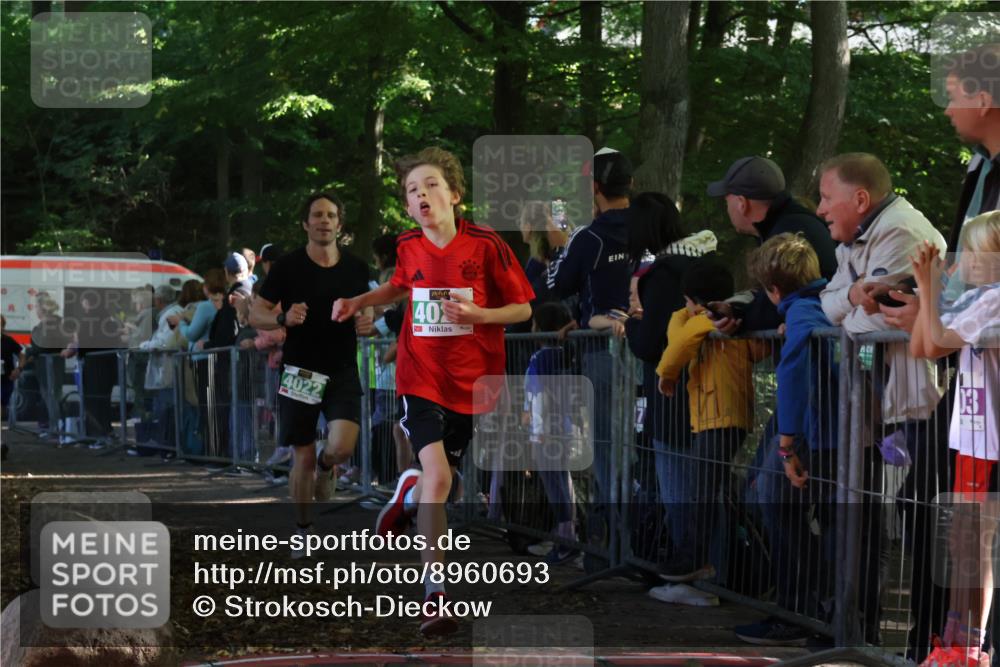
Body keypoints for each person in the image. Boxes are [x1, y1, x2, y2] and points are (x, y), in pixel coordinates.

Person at [332, 146, 533, 635]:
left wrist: (480, 316)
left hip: (474, 382)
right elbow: (400, 287)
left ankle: (408, 489)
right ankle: (435, 595)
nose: (422, 195)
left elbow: (524, 309)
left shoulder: (487, 245)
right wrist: (362, 300)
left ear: (455, 194)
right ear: (407, 205)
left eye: (431, 186)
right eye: (412, 190)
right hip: (420, 377)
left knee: (445, 485)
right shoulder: (407, 246)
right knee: (440, 480)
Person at [818, 152, 949, 644]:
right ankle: (905, 634)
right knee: (909, 507)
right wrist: (854, 300)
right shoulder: (857, 238)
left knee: (928, 511)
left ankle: (930, 636)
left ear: (860, 199)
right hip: (898, 400)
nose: (820, 208)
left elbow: (881, 319)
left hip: (929, 400)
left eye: (827, 197)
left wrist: (850, 311)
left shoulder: (900, 232)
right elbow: (831, 304)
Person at [251, 192, 374, 551]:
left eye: (331, 215)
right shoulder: (288, 267)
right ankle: (304, 531)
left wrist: (367, 321)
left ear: (339, 223)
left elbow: (367, 311)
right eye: (317, 215)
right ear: (306, 223)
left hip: (341, 369)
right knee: (300, 454)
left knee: (341, 447)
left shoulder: (356, 267)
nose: (324, 220)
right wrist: (281, 318)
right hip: (300, 372)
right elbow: (254, 313)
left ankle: (328, 465)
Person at [733, 233, 839, 646]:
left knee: (774, 502)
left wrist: (787, 444)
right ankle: (806, 606)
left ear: (773, 290)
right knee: (778, 504)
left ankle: (803, 608)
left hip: (817, 432)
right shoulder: (818, 305)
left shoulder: (801, 315)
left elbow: (793, 373)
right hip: (826, 430)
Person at [908, 212, 1000, 667]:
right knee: (964, 542)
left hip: (990, 442)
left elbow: (936, 336)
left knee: (975, 543)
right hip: (973, 439)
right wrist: (932, 293)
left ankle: (970, 645)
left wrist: (928, 288)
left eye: (975, 253)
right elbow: (923, 347)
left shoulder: (996, 301)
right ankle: (960, 642)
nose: (965, 261)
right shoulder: (981, 299)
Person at [654, 257, 767, 584]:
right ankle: (699, 558)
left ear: (696, 302)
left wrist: (666, 374)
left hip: (721, 413)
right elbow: (680, 332)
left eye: (686, 303)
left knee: (701, 489)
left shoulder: (709, 319)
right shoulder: (723, 318)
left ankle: (696, 558)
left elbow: (680, 342)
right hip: (718, 414)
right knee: (702, 486)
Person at [545, 147, 633, 512]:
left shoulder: (589, 237)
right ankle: (637, 542)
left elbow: (556, 284)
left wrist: (558, 241)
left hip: (603, 353)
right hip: (649, 349)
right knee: (640, 445)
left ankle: (613, 540)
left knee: (607, 448)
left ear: (595, 187)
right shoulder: (653, 227)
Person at [703, 155, 837, 334]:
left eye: (727, 201)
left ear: (742, 203)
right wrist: (735, 312)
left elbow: (780, 299)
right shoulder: (790, 223)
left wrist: (740, 319)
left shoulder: (785, 235)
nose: (727, 209)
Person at [522, 301, 581, 565]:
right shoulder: (564, 355)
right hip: (561, 427)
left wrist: (539, 429)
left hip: (547, 429)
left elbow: (540, 394)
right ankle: (567, 535)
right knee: (561, 482)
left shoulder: (542, 358)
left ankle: (567, 539)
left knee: (555, 484)